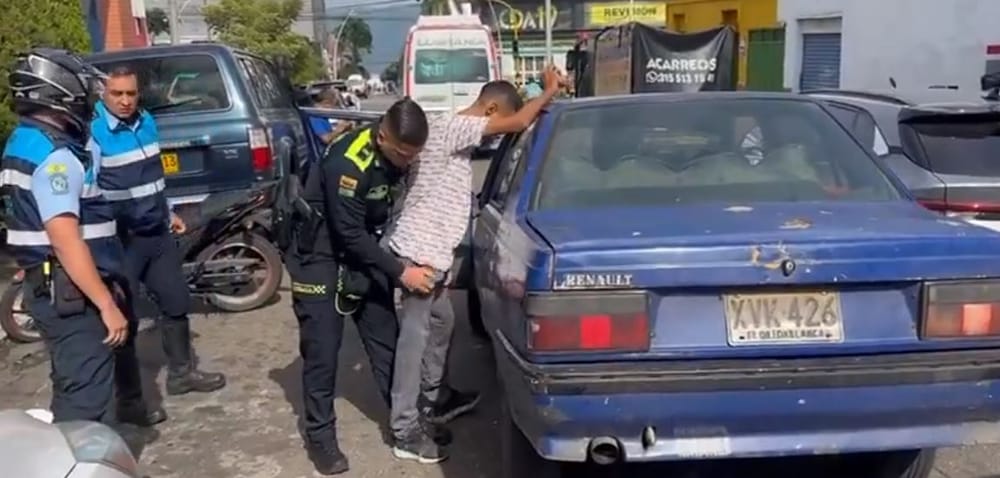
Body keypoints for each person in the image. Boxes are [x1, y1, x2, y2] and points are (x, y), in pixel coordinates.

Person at [386, 65, 566, 463]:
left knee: (442, 323)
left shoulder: (453, 138)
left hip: (432, 255)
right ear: (489, 111)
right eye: (498, 121)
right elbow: (519, 120)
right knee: (413, 343)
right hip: (419, 255)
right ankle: (404, 429)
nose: (500, 128)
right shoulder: (455, 128)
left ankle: (434, 398)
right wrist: (549, 91)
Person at [0, 48, 164, 426]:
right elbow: (65, 239)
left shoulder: (22, 141)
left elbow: (29, 222)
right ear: (60, 94)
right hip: (73, 295)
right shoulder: (56, 156)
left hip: (52, 286)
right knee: (87, 405)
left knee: (71, 385)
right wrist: (106, 304)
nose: (89, 100)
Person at [287, 97, 436, 475]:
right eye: (402, 154)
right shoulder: (347, 162)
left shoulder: (396, 156)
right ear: (383, 136)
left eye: (412, 156)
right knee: (323, 351)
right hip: (320, 254)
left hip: (364, 251)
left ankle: (406, 426)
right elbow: (348, 232)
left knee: (386, 340)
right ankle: (320, 437)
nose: (406, 163)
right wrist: (402, 272)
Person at [90, 65, 226, 397]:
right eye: (117, 94)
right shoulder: (93, 133)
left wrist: (169, 211)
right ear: (103, 95)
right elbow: (88, 192)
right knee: (125, 317)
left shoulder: (146, 122)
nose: (125, 101)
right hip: (122, 241)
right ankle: (129, 398)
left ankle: (181, 375)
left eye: (131, 94)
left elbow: (152, 178)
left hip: (157, 234)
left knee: (176, 301)